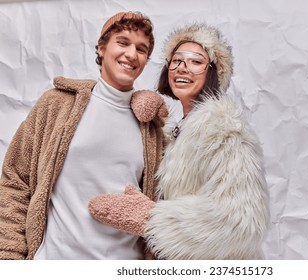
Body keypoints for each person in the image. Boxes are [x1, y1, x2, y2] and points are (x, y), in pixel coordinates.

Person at [88, 23, 270, 259]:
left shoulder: (224, 129)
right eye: (177, 61)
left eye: (196, 62)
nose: (183, 69)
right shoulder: (178, 130)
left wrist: (150, 218)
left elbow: (243, 221)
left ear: (212, 72)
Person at [0, 11, 168, 260]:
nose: (131, 54)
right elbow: (15, 180)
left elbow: (164, 206)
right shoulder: (57, 105)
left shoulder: (152, 130)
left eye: (141, 49)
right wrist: (10, 259)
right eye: (122, 42)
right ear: (101, 48)